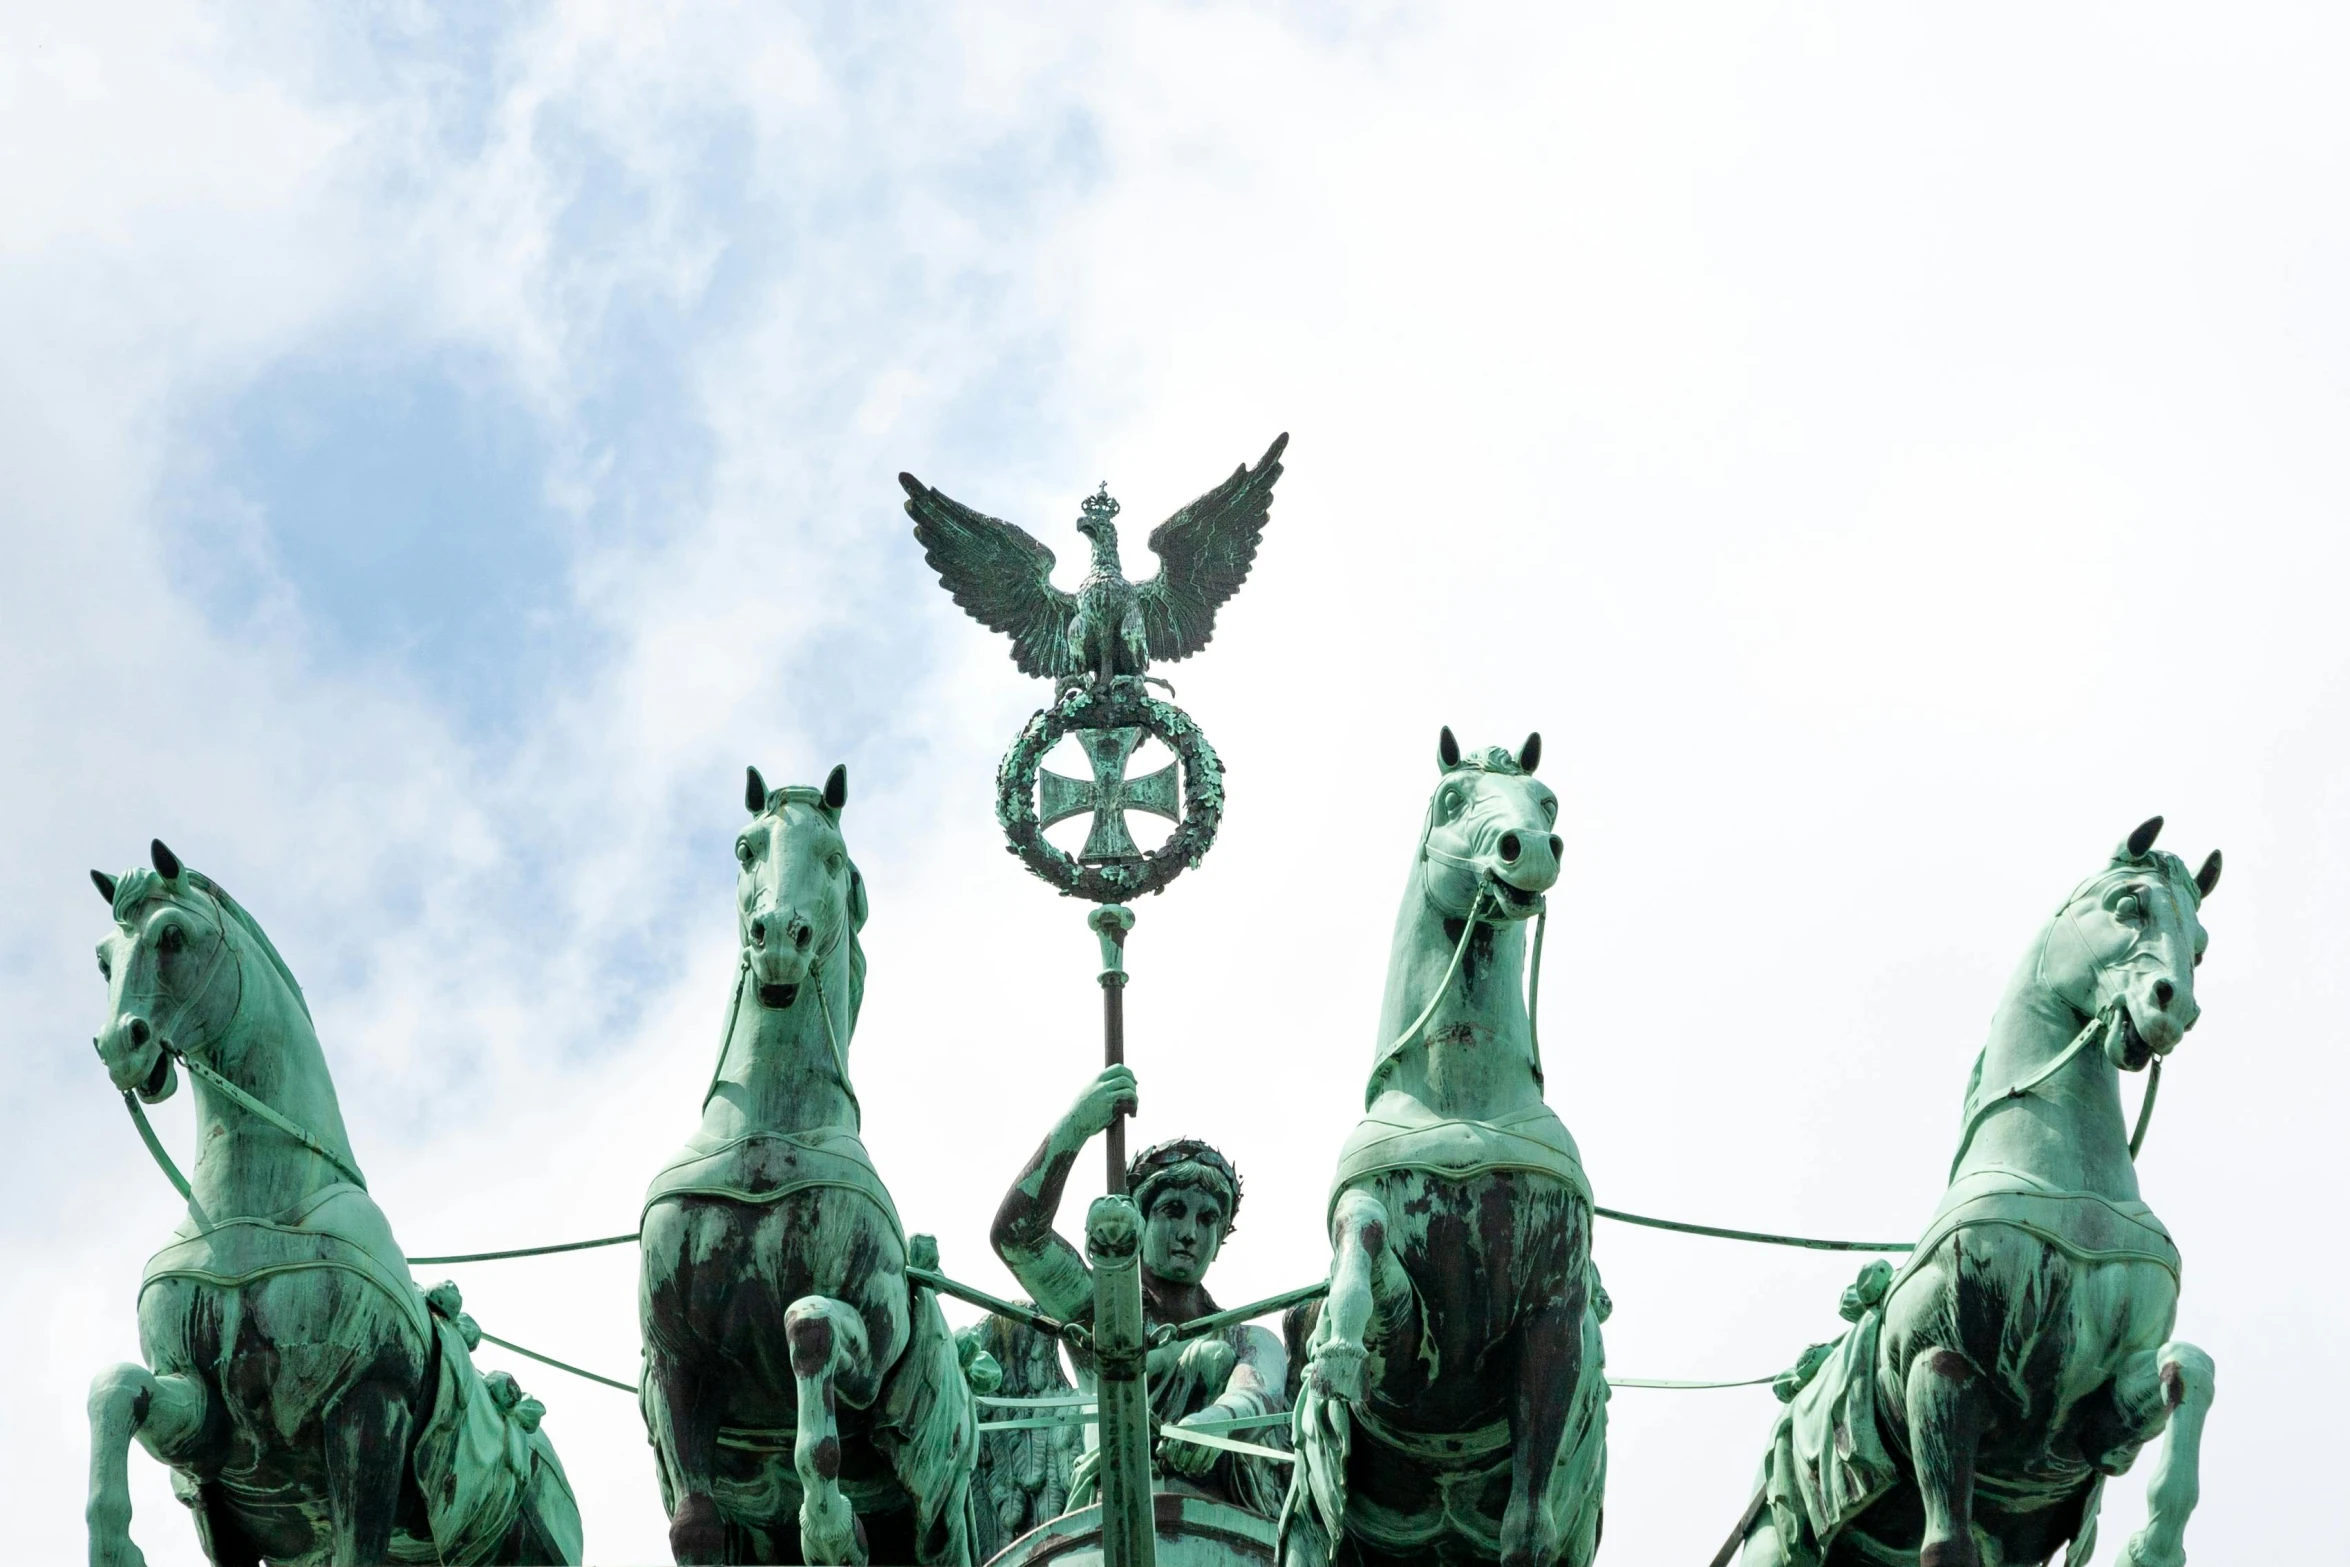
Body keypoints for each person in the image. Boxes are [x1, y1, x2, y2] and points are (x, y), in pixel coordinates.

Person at [990, 1064, 1288, 1515]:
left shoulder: (1244, 1338)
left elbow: (1257, 1394)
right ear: (1141, 1219)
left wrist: (1215, 1424)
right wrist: (1078, 1123)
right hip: (1113, 1516)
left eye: (1208, 1218)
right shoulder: (1101, 1310)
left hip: (1226, 1530)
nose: (1190, 1232)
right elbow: (1017, 1238)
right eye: (1173, 1210)